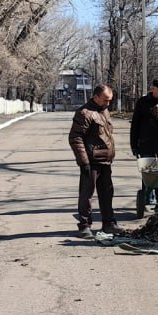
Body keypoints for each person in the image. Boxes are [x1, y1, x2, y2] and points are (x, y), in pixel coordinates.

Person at [68, 84, 124, 239]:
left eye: (110, 100)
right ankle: (84, 226)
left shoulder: (104, 111)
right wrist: (84, 162)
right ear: (96, 97)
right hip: (91, 162)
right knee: (87, 195)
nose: (108, 103)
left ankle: (109, 223)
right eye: (105, 100)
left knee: (107, 193)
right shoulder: (84, 113)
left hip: (105, 161)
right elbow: (75, 138)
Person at [130, 78, 158, 204]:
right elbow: (135, 124)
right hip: (146, 143)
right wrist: (134, 145)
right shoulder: (143, 102)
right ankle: (147, 195)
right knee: (148, 170)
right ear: (153, 89)